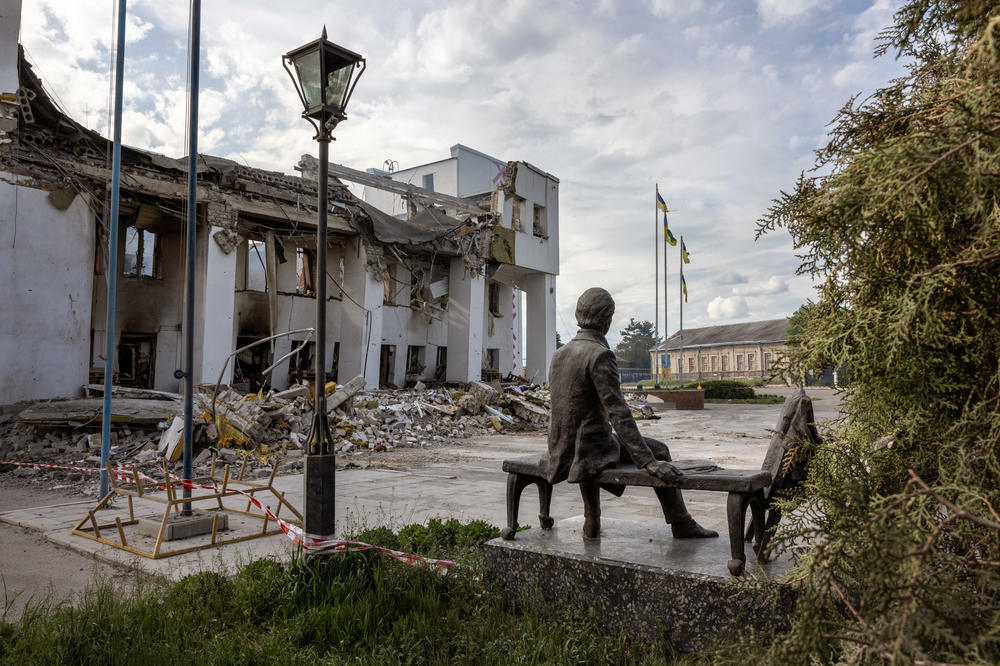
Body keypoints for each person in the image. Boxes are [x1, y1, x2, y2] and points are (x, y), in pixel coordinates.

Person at [540, 287, 717, 540]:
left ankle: (592, 520)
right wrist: (649, 462)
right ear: (607, 319)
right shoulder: (600, 355)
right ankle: (681, 522)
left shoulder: (559, 354)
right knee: (660, 450)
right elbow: (619, 413)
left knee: (610, 440)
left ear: (578, 316)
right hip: (590, 448)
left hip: (559, 445)